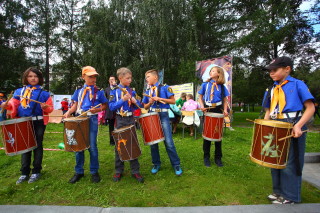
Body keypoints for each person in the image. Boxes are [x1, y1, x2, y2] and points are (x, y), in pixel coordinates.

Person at [262, 56, 315, 204]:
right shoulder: (271, 88)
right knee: (275, 160)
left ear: (287, 69)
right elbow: (268, 110)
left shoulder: (298, 84)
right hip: (275, 123)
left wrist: (298, 125)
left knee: (291, 162)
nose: (271, 73)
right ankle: (278, 192)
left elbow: (310, 108)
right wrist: (266, 125)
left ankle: (291, 196)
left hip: (292, 123)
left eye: (275, 70)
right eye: (269, 71)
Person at [1, 67, 53, 184]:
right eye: (30, 76)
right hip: (23, 121)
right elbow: (12, 104)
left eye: (35, 76)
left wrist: (46, 107)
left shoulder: (44, 93)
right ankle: (24, 172)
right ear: (26, 78)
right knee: (25, 146)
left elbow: (50, 108)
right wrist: (6, 105)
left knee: (37, 145)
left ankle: (36, 171)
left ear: (39, 78)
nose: (33, 78)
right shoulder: (19, 92)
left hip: (38, 122)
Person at [64, 66, 108, 183]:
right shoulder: (78, 90)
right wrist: (68, 112)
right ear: (83, 77)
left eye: (94, 77)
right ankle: (79, 171)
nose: (93, 79)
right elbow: (75, 105)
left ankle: (94, 171)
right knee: (79, 147)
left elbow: (104, 105)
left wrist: (97, 110)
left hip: (92, 119)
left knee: (92, 146)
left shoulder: (99, 91)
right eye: (90, 76)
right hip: (79, 118)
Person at [142, 69, 183, 176]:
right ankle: (156, 163)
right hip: (152, 116)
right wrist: (150, 102)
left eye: (148, 77)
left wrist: (160, 98)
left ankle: (176, 164)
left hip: (163, 116)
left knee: (168, 142)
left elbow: (173, 101)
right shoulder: (148, 91)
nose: (146, 79)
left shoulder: (165, 87)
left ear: (155, 77)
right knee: (153, 143)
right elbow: (144, 107)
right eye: (146, 77)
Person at [109, 67, 144, 183]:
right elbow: (111, 107)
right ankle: (119, 170)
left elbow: (139, 106)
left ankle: (135, 171)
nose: (130, 80)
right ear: (120, 78)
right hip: (120, 119)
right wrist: (123, 99)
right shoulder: (114, 91)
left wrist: (135, 102)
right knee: (119, 145)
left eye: (130, 78)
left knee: (132, 143)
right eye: (127, 78)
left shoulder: (132, 91)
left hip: (130, 119)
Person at [198, 65, 229, 168]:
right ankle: (206, 157)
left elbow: (225, 100)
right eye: (210, 71)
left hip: (218, 109)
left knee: (217, 135)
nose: (211, 72)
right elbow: (200, 97)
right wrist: (202, 106)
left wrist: (225, 110)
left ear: (219, 73)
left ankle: (218, 158)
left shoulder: (222, 87)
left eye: (213, 71)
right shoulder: (205, 85)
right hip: (207, 108)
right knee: (207, 135)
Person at [104, 75, 117, 146]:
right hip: (110, 111)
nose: (111, 81)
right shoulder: (107, 89)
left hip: (117, 110)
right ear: (109, 81)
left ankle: (118, 139)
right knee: (111, 127)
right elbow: (105, 100)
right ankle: (112, 141)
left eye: (113, 79)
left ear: (115, 80)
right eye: (110, 80)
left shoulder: (118, 88)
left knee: (118, 125)